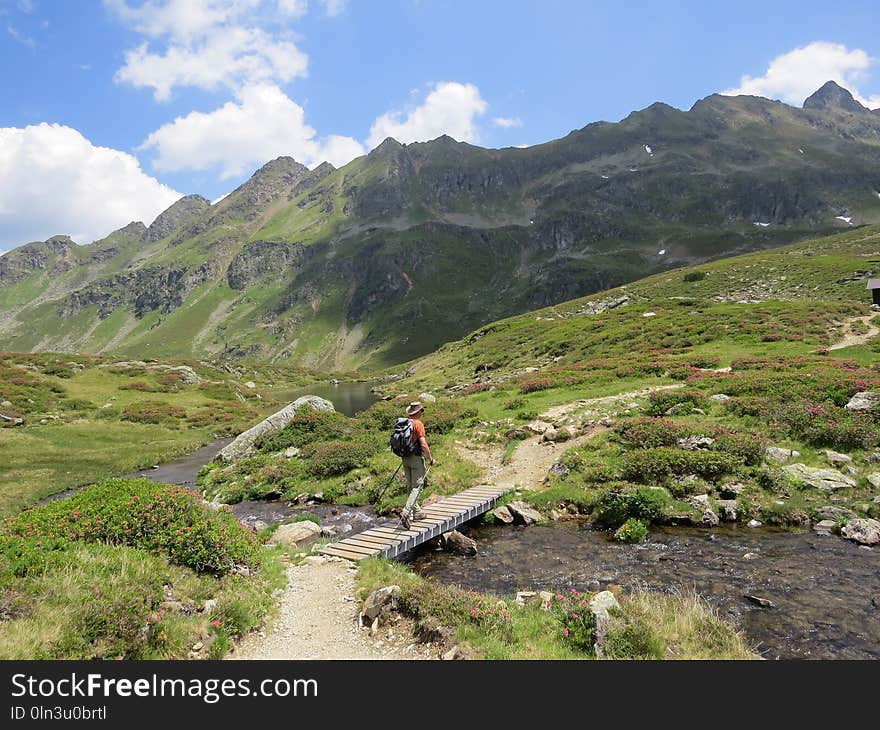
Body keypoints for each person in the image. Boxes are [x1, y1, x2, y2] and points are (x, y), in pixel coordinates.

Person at [399, 401, 436, 529]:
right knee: (418, 486)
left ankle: (417, 513)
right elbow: (423, 444)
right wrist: (430, 458)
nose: (422, 412)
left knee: (410, 485)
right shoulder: (418, 424)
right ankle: (406, 511)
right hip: (415, 458)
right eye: (421, 410)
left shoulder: (404, 423)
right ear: (418, 412)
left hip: (405, 458)